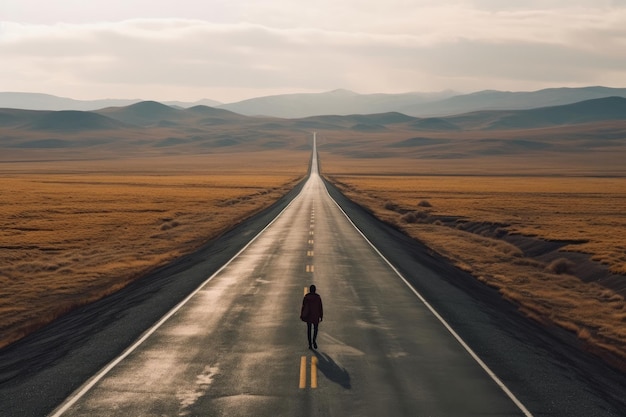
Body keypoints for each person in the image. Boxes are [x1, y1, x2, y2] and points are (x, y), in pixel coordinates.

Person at [300, 284, 323, 349]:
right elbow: (320, 307)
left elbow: (303, 307)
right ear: (315, 290)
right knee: (315, 329)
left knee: (309, 329)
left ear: (310, 290)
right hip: (316, 315)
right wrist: (321, 316)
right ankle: (314, 340)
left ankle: (310, 344)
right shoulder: (318, 298)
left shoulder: (306, 297)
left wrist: (302, 315)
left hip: (308, 315)